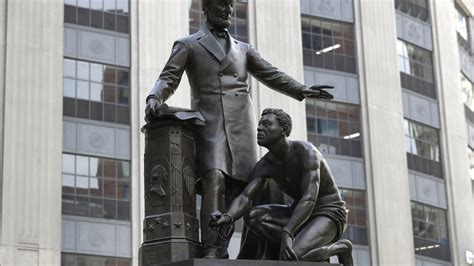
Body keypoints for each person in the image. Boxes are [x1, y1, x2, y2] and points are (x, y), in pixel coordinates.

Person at [144, 0, 333, 259]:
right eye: (222, 5)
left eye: (231, 6)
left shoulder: (244, 50)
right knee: (215, 179)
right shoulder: (188, 44)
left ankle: (251, 252)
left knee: (240, 189)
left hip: (242, 126)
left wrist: (301, 89)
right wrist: (155, 97)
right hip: (210, 125)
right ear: (207, 7)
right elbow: (169, 77)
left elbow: (271, 74)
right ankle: (213, 249)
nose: (228, 11)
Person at [210, 108, 353, 265]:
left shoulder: (306, 152)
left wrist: (287, 232)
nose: (259, 128)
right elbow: (246, 197)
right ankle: (305, 246)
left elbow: (309, 198)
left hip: (328, 212)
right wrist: (228, 216)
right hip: (298, 212)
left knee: (296, 256)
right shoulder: (265, 165)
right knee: (253, 216)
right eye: (259, 124)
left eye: (266, 124)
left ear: (283, 130)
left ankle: (341, 248)